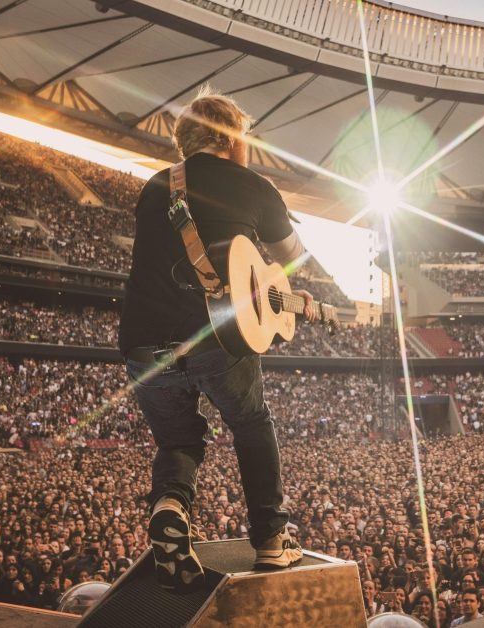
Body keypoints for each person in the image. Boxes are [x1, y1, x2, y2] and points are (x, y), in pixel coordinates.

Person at [118, 86, 317, 591]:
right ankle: (271, 540)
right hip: (214, 338)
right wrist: (272, 276)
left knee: (179, 438)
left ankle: (170, 506)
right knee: (251, 423)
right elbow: (295, 255)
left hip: (141, 344)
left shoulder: (155, 185)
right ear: (232, 140)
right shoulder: (254, 185)